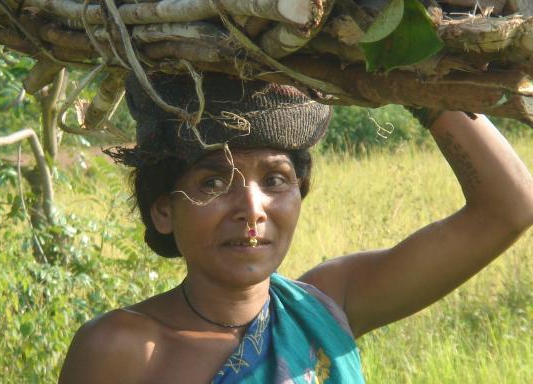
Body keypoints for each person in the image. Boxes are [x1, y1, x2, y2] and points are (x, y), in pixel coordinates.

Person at [58, 73, 533, 383]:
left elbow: (509, 207)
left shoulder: (326, 306)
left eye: (276, 180)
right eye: (213, 181)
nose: (252, 207)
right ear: (164, 210)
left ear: (300, 191)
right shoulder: (120, 350)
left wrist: (410, 78)